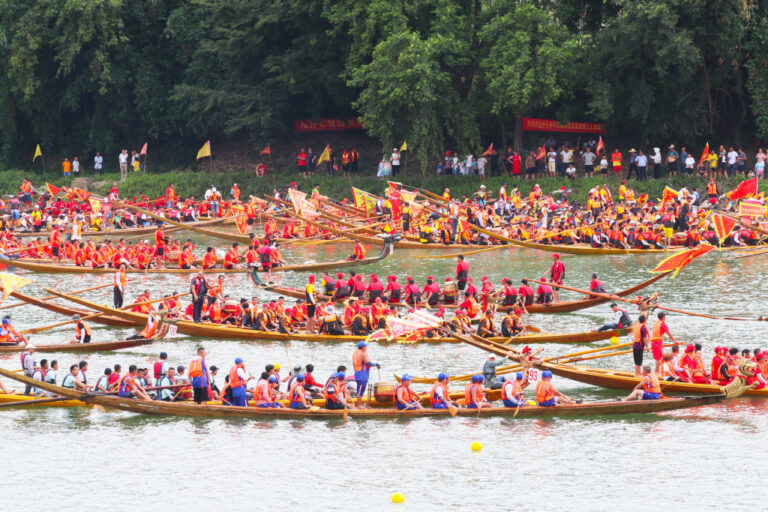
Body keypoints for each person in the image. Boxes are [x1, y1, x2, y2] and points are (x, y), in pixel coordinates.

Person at [352, 341, 379, 407]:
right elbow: (368, 363)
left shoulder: (355, 353)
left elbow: (354, 364)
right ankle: (359, 405)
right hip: (362, 373)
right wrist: (376, 364)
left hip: (357, 372)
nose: (366, 348)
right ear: (363, 347)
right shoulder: (362, 354)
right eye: (366, 346)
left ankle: (360, 404)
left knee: (360, 388)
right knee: (361, 388)